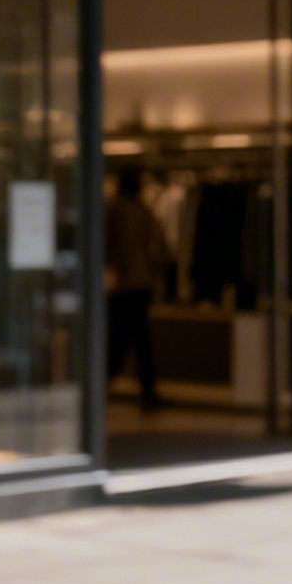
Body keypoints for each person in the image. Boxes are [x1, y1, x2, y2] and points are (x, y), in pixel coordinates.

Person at [105, 166, 168, 410]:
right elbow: (158, 247)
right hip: (140, 282)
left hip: (123, 283)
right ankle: (147, 391)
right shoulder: (142, 210)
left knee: (120, 339)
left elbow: (107, 246)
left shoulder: (115, 209)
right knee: (139, 340)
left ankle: (106, 385)